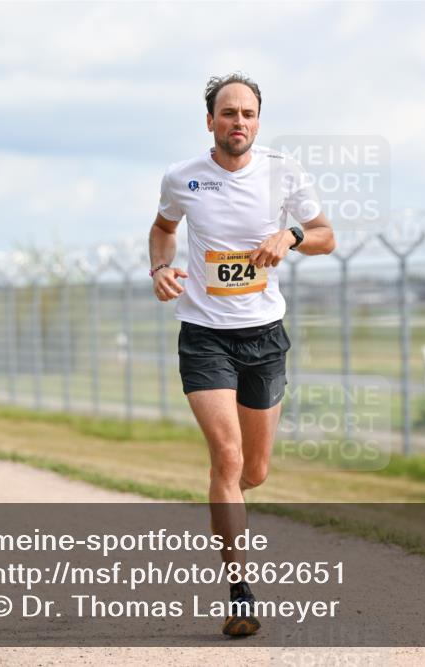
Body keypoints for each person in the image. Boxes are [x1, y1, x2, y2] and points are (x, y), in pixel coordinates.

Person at [148, 73, 335, 636]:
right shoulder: (183, 178)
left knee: (253, 470)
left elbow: (325, 232)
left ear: (258, 121)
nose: (239, 122)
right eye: (228, 113)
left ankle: (222, 495)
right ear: (210, 121)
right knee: (228, 460)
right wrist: (160, 268)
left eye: (248, 114)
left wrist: (292, 238)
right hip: (203, 334)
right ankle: (239, 593)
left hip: (263, 335)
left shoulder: (283, 170)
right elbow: (162, 228)